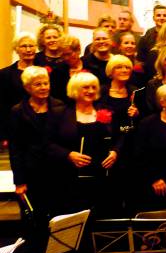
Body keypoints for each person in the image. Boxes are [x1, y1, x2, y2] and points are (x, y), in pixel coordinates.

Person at [46, 72, 120, 217]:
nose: (91, 91)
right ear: (75, 90)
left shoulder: (106, 110)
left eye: (94, 87)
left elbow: (120, 137)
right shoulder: (59, 113)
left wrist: (115, 152)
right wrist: (68, 154)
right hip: (71, 180)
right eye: (85, 87)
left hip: (102, 179)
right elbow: (47, 143)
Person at [8, 66, 64, 218]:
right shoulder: (18, 111)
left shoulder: (60, 106)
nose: (43, 87)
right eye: (38, 84)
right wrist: (19, 182)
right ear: (27, 87)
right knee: (33, 217)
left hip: (56, 171)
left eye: (46, 83)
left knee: (57, 215)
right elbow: (15, 149)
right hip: (31, 172)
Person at [0, 34, 37, 144]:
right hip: (16, 126)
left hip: (40, 125)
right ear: (16, 49)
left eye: (31, 46)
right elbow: (2, 105)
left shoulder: (43, 70)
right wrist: (3, 134)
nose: (28, 49)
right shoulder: (5, 74)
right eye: (23, 46)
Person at [51, 35, 85, 101]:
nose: (66, 58)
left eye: (69, 54)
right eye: (63, 55)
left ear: (78, 50)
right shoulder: (57, 72)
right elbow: (55, 96)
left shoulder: (90, 66)